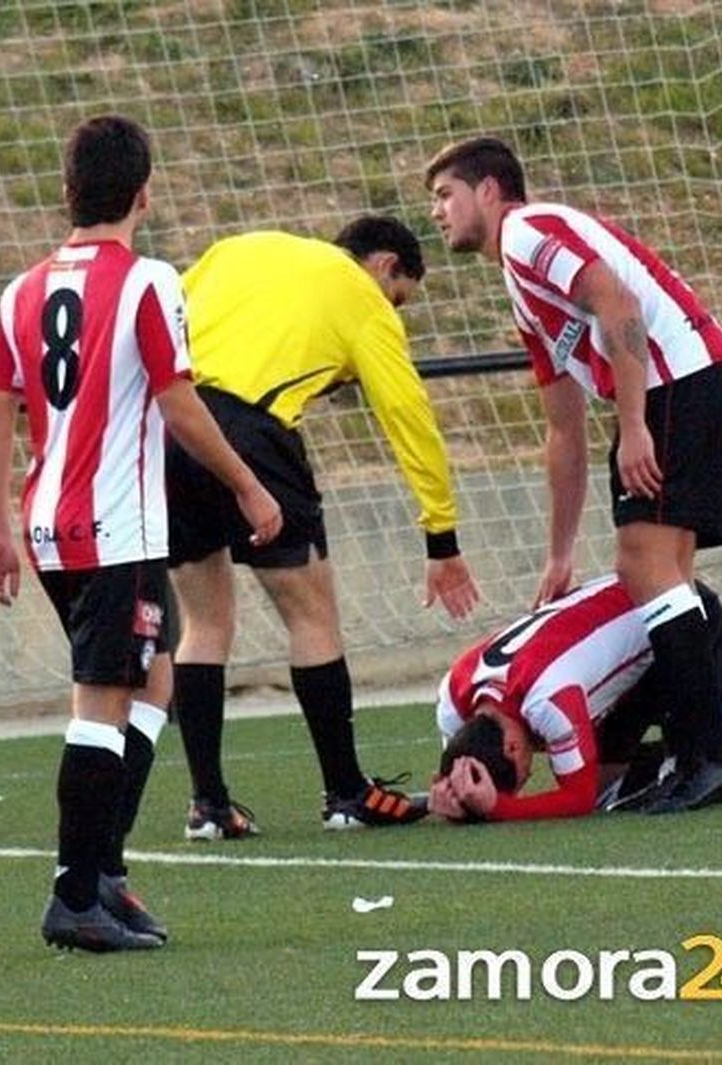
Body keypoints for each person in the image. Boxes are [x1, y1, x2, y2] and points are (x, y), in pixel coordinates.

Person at [0, 114, 282, 952]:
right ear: (144, 193)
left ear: (68, 191)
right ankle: (76, 894)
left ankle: (103, 870)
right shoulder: (149, 281)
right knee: (103, 699)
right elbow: (180, 402)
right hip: (113, 529)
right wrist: (250, 486)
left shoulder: (21, 290)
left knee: (155, 673)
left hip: (49, 525)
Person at [426, 136, 722, 814]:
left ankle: (710, 752)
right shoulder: (520, 292)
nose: (437, 212)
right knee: (665, 571)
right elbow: (562, 429)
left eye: (445, 195)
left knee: (645, 566)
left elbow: (621, 306)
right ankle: (715, 742)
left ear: (489, 191)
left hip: (676, 383)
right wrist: (559, 551)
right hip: (686, 384)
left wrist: (633, 423)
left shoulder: (526, 230)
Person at [167, 217, 481, 839]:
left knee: (203, 623)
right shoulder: (360, 294)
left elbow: (159, 326)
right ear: (385, 266)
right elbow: (406, 412)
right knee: (312, 617)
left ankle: (208, 805)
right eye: (400, 299)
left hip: (169, 431)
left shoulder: (238, 247)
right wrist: (440, 535)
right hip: (252, 433)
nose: (394, 312)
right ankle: (345, 793)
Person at [427, 574, 722, 823]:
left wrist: (501, 809)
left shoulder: (546, 699)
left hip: (685, 625)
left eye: (520, 772)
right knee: (611, 791)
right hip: (631, 655)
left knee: (708, 774)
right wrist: (444, 793)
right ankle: (721, 728)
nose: (527, 774)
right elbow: (459, 764)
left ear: (512, 745)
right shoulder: (452, 696)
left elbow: (574, 800)